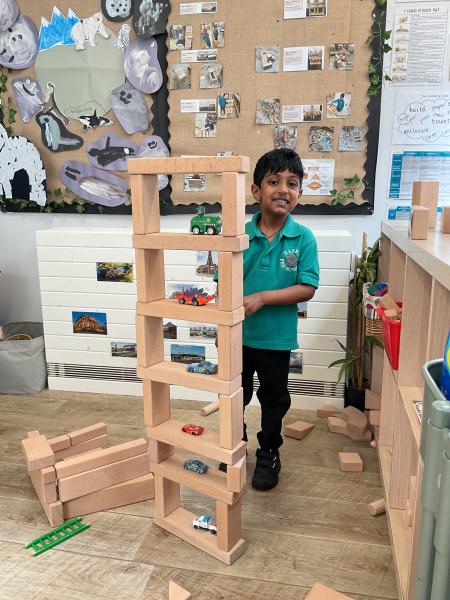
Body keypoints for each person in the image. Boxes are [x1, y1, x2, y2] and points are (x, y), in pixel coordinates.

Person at [216, 149, 320, 491]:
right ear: (256, 191)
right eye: (274, 181)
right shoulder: (238, 235)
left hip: (276, 340)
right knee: (235, 396)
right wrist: (220, 326)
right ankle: (235, 444)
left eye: (292, 183)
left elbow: (307, 287)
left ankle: (269, 452)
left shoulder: (303, 238)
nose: (283, 190)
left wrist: (262, 297)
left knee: (274, 401)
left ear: (300, 192)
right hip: (238, 337)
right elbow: (222, 284)